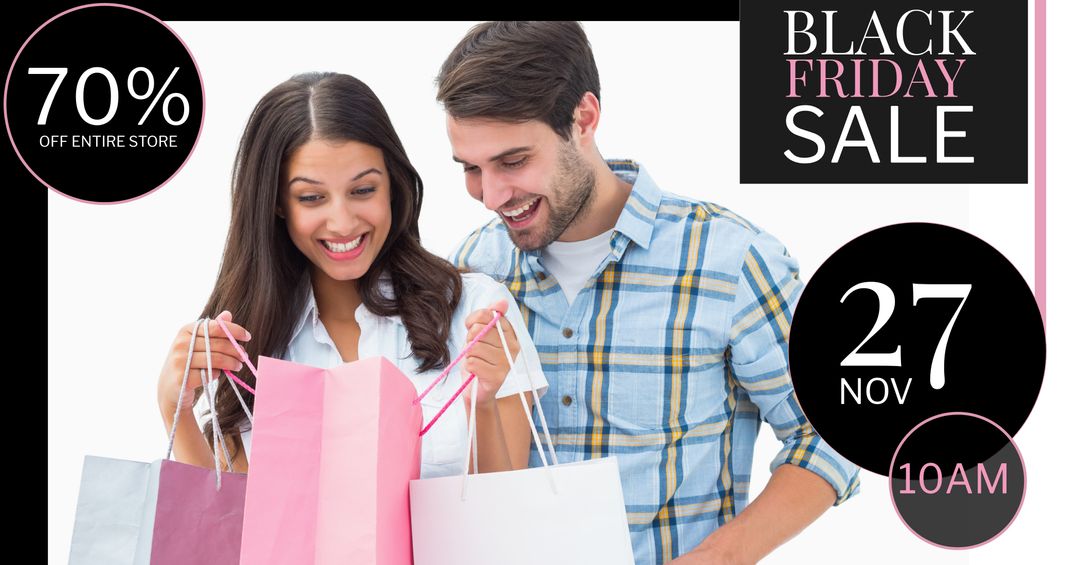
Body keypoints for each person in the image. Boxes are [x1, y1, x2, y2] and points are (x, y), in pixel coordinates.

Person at [438, 21, 859, 564]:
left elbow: (829, 436)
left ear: (583, 119)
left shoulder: (729, 260)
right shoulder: (475, 267)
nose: (491, 194)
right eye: (471, 169)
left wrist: (719, 558)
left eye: (513, 161)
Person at [155, 71, 545, 479]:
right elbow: (226, 531)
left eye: (363, 190)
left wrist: (481, 405)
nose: (342, 222)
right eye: (312, 197)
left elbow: (502, 515)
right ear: (276, 203)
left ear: (392, 187)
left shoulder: (475, 311)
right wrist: (174, 410)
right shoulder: (247, 343)